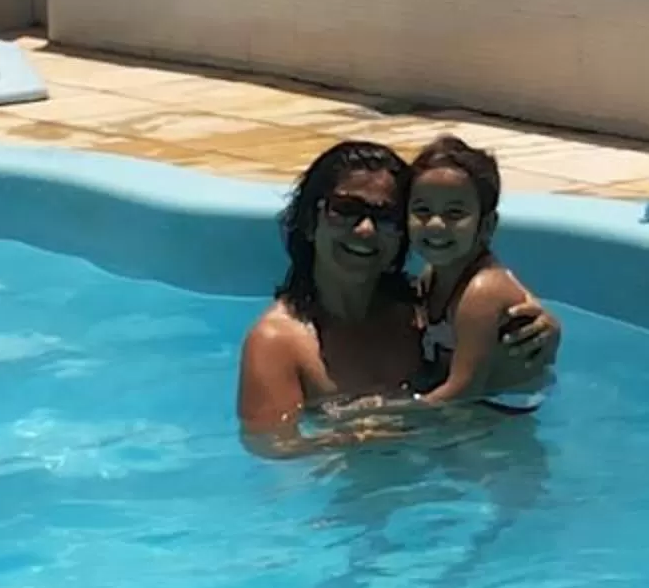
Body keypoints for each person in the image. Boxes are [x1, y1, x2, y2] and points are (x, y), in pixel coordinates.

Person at [235, 141, 559, 457]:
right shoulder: (277, 342)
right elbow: (269, 446)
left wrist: (544, 325)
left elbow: (492, 294)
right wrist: (347, 439)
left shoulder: (418, 308)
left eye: (386, 217)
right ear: (309, 220)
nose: (364, 229)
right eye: (346, 210)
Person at [403, 135, 547, 415]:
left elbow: (464, 389)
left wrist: (387, 417)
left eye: (454, 213)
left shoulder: (483, 291)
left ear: (487, 225)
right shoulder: (432, 276)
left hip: (499, 419)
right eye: (422, 210)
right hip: (471, 411)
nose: (435, 224)